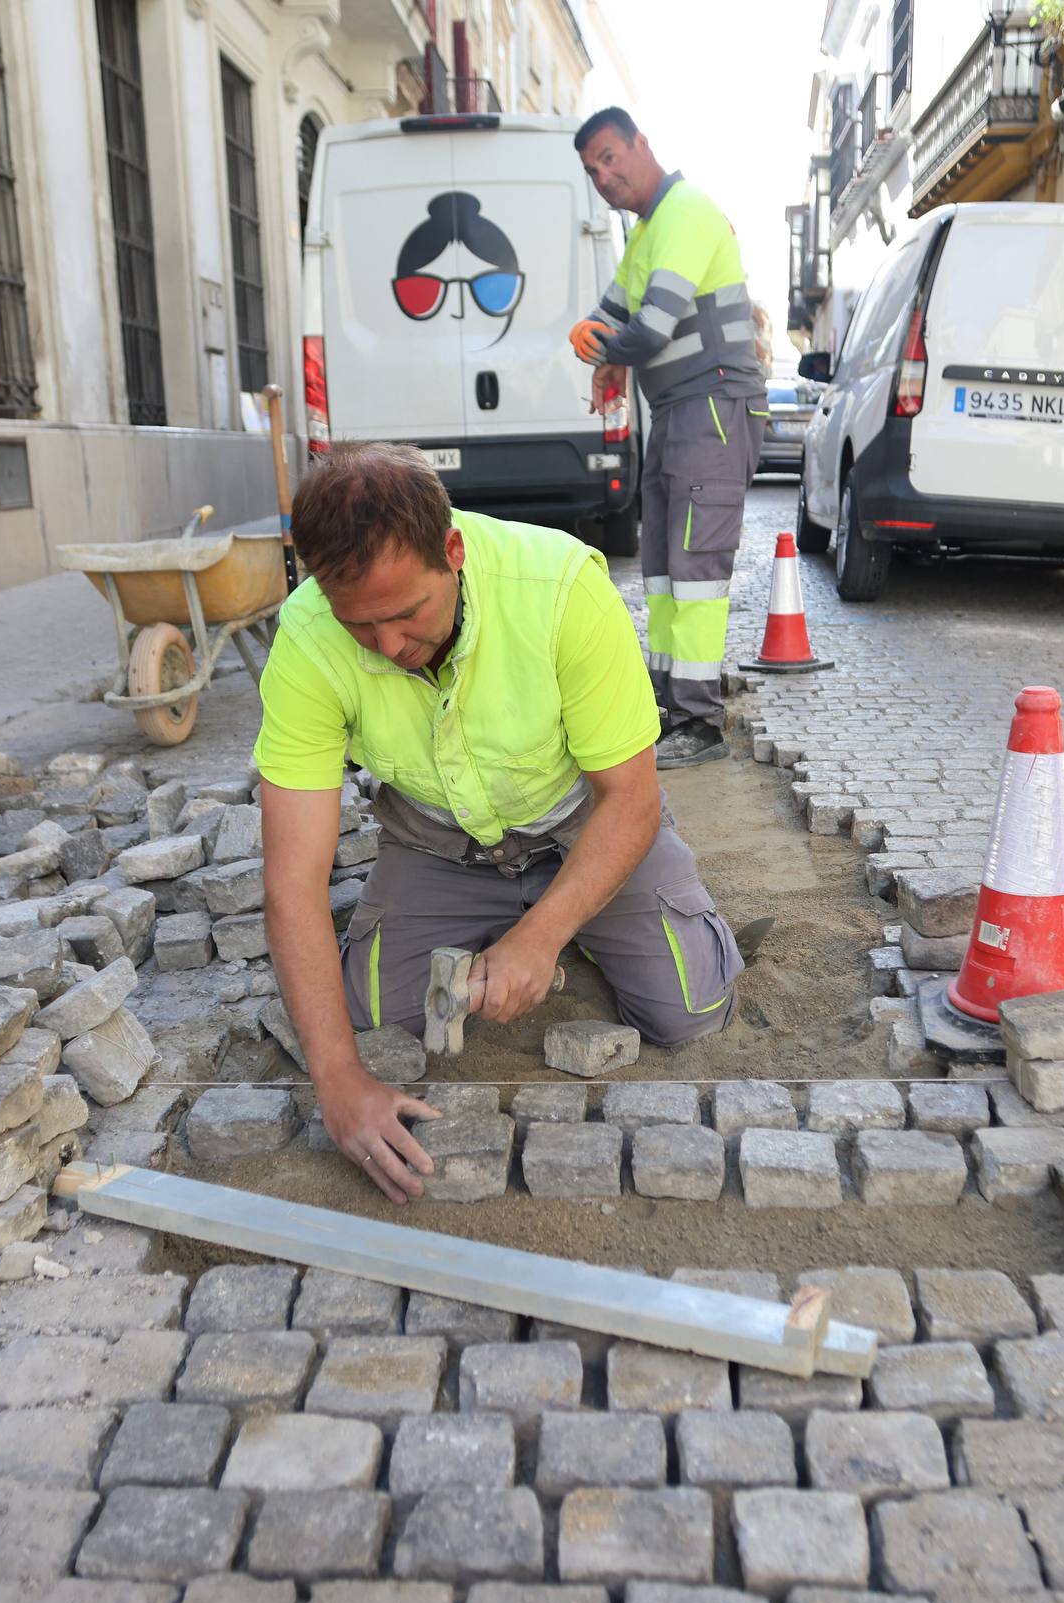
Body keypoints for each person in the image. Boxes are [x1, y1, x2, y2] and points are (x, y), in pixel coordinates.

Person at [254, 443, 751, 1203]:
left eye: (407, 614)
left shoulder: (561, 591)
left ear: (452, 552)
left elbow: (631, 800)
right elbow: (292, 881)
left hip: (583, 824)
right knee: (373, 1017)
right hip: (438, 842)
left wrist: (540, 938)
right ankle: (529, 923)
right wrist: (339, 1081)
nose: (389, 647)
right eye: (361, 625)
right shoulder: (306, 638)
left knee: (689, 1011)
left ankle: (582, 921)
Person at [570, 106, 765, 771]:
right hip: (679, 411)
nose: (603, 176)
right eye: (592, 169)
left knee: (696, 571)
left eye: (609, 157)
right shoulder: (647, 233)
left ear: (640, 144)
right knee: (662, 570)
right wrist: (600, 343)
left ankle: (699, 722)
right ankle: (666, 705)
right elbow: (611, 313)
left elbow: (648, 327)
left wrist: (603, 352)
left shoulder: (685, 212)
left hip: (714, 406)